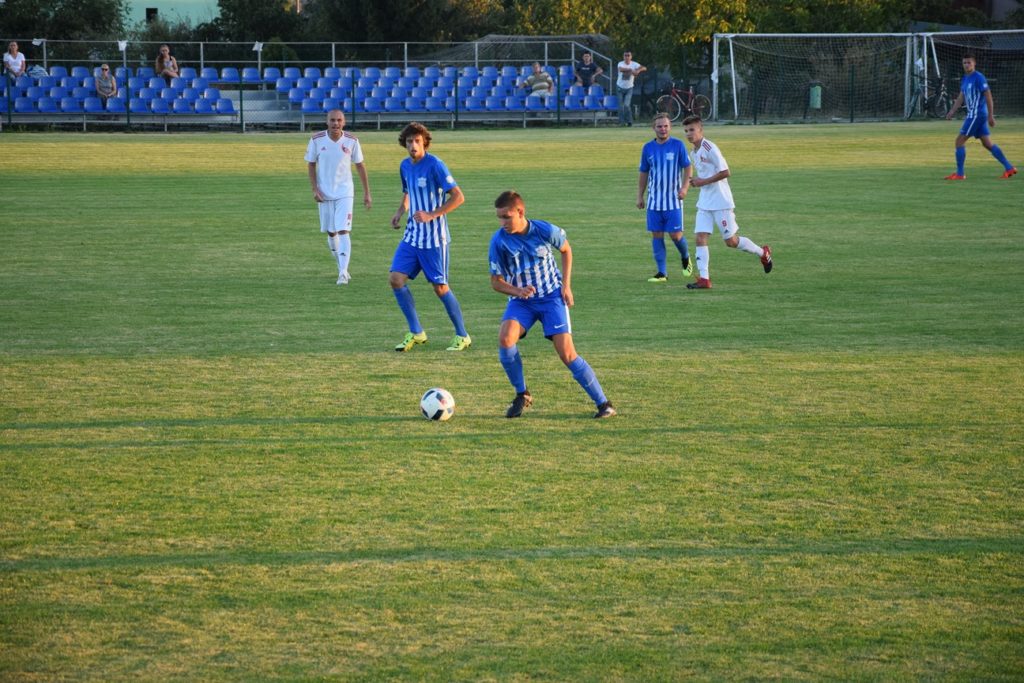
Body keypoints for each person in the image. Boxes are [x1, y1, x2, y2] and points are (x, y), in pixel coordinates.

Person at [489, 190, 616, 419]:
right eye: (499, 218)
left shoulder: (544, 230)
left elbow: (566, 250)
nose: (503, 223)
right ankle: (522, 394)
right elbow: (496, 282)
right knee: (505, 338)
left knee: (567, 353)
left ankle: (604, 404)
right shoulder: (499, 241)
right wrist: (518, 291)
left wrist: (566, 286)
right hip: (522, 302)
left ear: (520, 212)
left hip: (551, 298)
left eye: (507, 217)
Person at [389, 121, 472, 352]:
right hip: (412, 236)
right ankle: (416, 332)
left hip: (434, 239)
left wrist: (432, 214)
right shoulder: (405, 166)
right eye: (409, 141)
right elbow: (408, 192)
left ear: (424, 142)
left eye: (417, 141)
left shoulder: (435, 165)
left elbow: (458, 197)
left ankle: (462, 335)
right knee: (395, 279)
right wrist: (400, 212)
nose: (413, 145)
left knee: (440, 288)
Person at [681, 115, 772, 289]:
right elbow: (706, 174)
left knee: (731, 241)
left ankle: (763, 252)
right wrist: (697, 181)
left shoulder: (710, 148)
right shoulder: (693, 152)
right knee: (700, 237)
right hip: (704, 202)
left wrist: (702, 181)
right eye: (686, 131)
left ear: (701, 130)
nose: (689, 134)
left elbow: (725, 172)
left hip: (721, 201)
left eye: (692, 130)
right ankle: (704, 279)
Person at [306, 109, 371, 285]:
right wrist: (315, 189)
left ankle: (343, 272)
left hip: (345, 192)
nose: (336, 123)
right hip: (324, 193)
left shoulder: (352, 141)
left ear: (344, 122)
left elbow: (360, 165)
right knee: (331, 232)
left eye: (339, 120)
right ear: (327, 122)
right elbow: (311, 164)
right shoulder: (316, 140)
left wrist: (367, 192)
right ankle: (341, 267)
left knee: (343, 230)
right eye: (332, 120)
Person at [637, 113, 693, 282]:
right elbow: (644, 172)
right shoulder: (647, 148)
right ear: (653, 128)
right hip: (654, 202)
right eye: (659, 126)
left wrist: (685, 188)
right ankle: (662, 273)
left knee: (676, 236)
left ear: (670, 127)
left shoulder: (678, 145)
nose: (663, 129)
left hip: (674, 201)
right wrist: (640, 195)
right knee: (657, 235)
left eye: (666, 126)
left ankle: (685, 256)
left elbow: (688, 167)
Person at [944, 53, 1016, 180]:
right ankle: (1009, 167)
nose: (967, 65)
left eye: (969, 62)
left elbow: (988, 96)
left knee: (959, 141)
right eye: (964, 63)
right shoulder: (965, 78)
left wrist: (991, 116)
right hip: (975, 114)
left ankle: (960, 174)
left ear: (974, 63)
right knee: (987, 144)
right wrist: (952, 111)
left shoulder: (979, 77)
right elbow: (961, 96)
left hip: (977, 114)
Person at [616, 51, 646, 126]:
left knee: (626, 105)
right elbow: (620, 69)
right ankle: (622, 122)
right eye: (625, 55)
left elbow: (644, 68)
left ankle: (629, 121)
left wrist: (638, 70)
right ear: (623, 57)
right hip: (619, 87)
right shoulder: (620, 63)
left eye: (628, 55)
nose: (627, 57)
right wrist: (631, 70)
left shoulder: (634, 64)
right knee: (621, 106)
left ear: (631, 57)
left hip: (629, 88)